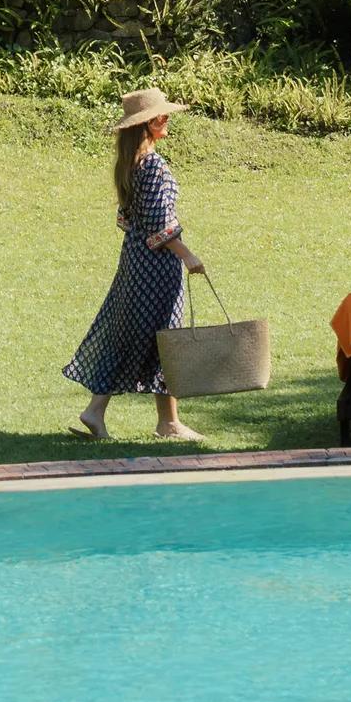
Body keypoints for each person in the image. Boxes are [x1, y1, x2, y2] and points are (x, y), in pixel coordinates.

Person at [64, 87, 206, 440]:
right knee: (165, 339)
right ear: (151, 122)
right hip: (157, 268)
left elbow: (127, 220)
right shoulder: (153, 165)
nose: (167, 118)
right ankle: (166, 423)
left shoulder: (129, 164)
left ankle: (105, 412)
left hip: (134, 262)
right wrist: (188, 256)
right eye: (163, 115)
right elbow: (161, 225)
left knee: (132, 336)